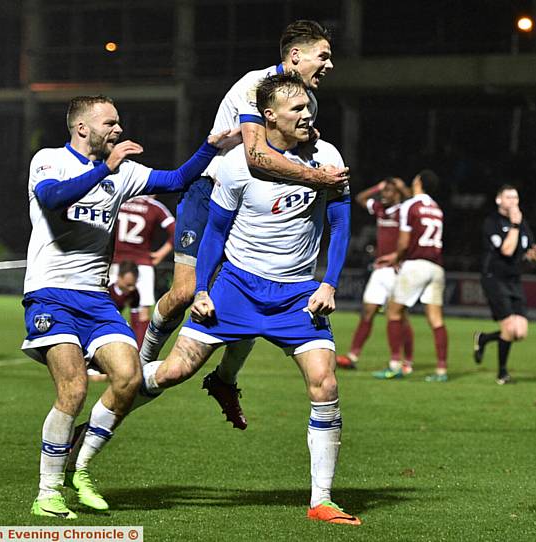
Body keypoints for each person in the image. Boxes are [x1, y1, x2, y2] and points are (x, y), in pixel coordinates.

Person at [138, 73, 360, 526]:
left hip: (298, 293)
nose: (307, 114)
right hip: (237, 288)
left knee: (327, 384)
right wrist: (202, 288)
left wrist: (329, 282)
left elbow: (340, 224)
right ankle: (96, 425)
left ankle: (322, 500)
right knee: (175, 371)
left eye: (309, 107)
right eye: (297, 108)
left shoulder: (328, 156)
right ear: (269, 116)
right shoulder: (239, 162)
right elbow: (215, 232)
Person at [21, 94, 240, 519]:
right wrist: (107, 168)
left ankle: (80, 469)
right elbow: (52, 200)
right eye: (110, 123)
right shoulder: (50, 160)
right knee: (74, 389)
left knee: (128, 377)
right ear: (82, 128)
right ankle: (47, 492)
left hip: (97, 299)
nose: (118, 129)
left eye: (118, 122)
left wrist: (211, 147)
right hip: (51, 293)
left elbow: (177, 179)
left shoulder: (123, 173)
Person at [141, 19, 348, 431]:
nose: (329, 65)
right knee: (185, 293)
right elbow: (256, 157)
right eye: (322, 56)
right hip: (213, 190)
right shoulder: (255, 85)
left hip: (254, 203)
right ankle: (142, 361)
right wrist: (316, 177)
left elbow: (289, 152)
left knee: (249, 285)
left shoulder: (307, 102)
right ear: (295, 56)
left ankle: (225, 380)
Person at [335, 177, 415, 373]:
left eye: (389, 191)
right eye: (384, 191)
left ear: (397, 194)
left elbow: (411, 199)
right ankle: (353, 356)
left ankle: (403, 361)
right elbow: (361, 198)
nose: (384, 194)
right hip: (380, 269)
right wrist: (379, 185)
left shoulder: (404, 210)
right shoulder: (380, 209)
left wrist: (401, 187)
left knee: (398, 317)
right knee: (368, 311)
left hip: (398, 269)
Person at [375, 170, 449, 382]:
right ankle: (442, 370)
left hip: (416, 265)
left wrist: (396, 257)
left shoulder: (410, 205)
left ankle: (395, 365)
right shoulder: (436, 208)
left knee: (393, 311)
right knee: (436, 319)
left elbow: (404, 242)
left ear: (419, 182)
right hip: (436, 267)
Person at [473, 185, 536, 384]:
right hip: (493, 278)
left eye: (516, 197)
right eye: (508, 197)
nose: (513, 201)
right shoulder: (492, 222)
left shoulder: (522, 224)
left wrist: (533, 256)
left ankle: (484, 339)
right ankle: (502, 373)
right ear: (498, 200)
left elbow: (528, 250)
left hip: (513, 279)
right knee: (510, 327)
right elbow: (506, 250)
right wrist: (514, 225)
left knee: (520, 332)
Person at [109, 195, 175, 341]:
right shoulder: (154, 206)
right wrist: (160, 254)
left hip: (115, 261)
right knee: (142, 313)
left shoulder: (119, 200)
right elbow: (176, 231)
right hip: (142, 263)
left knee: (106, 307)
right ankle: (139, 357)